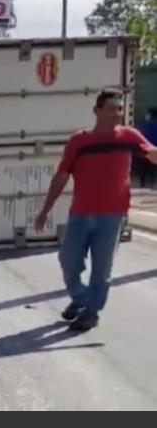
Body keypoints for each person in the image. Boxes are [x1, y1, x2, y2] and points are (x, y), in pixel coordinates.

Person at [35, 88, 157, 331]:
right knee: (68, 261)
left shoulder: (128, 137)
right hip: (80, 213)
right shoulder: (79, 141)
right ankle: (80, 299)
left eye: (120, 109)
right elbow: (61, 177)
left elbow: (152, 154)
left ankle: (91, 312)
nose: (117, 114)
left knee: (102, 268)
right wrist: (44, 210)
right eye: (112, 109)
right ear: (97, 111)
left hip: (111, 216)